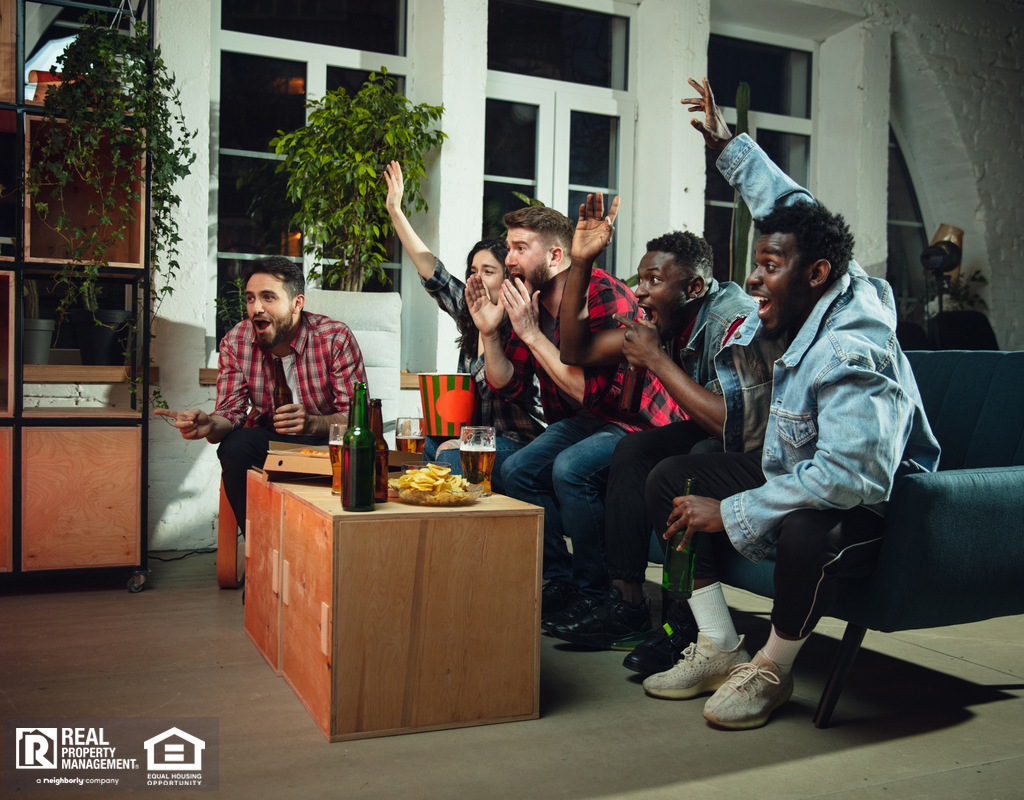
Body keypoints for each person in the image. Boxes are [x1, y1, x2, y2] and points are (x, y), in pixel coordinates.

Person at [639, 78, 941, 730]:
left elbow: (851, 478)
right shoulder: (819, 265)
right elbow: (788, 205)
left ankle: (772, 669)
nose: (752, 280)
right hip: (799, 470)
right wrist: (728, 144)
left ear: (816, 275)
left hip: (880, 506)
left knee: (808, 527)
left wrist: (733, 510)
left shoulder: (852, 349)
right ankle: (719, 643)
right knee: (671, 476)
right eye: (756, 264)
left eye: (768, 267)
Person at [549, 221, 775, 659]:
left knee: (689, 460)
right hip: (728, 432)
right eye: (640, 280)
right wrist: (581, 262)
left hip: (765, 445)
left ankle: (684, 621)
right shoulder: (667, 321)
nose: (640, 292)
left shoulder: (734, 320)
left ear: (694, 286)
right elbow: (575, 351)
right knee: (633, 449)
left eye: (654, 281)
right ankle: (627, 605)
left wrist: (654, 358)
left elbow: (737, 426)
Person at [467, 202, 674, 616]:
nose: (509, 260)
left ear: (556, 256)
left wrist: (529, 334)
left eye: (520, 248)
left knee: (571, 468)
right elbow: (511, 385)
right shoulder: (532, 301)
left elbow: (594, 396)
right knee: (516, 470)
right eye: (509, 248)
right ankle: (559, 581)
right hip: (587, 421)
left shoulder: (604, 294)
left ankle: (594, 594)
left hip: (638, 423)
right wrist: (490, 334)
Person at [156, 256, 367, 527]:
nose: (256, 308)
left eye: (268, 297)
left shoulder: (335, 338)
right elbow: (230, 414)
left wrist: (312, 423)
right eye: (250, 298)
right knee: (235, 446)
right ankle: (259, 552)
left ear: (297, 303)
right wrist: (210, 424)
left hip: (327, 443)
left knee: (359, 449)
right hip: (272, 442)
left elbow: (357, 419)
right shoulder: (236, 341)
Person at [383, 161, 544, 492]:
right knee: (433, 444)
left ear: (508, 277)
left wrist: (465, 443)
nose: (477, 278)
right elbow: (431, 269)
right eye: (473, 270)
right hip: (475, 437)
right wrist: (396, 211)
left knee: (452, 458)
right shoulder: (471, 311)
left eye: (488, 271)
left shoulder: (524, 321)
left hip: (521, 443)